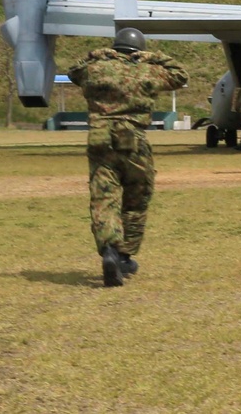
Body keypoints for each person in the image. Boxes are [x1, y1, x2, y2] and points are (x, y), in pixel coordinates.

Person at [68, 27, 188, 287]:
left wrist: (98, 53)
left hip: (100, 139)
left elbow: (74, 70)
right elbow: (180, 74)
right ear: (139, 49)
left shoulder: (94, 68)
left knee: (104, 197)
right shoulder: (147, 70)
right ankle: (124, 255)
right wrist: (149, 57)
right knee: (137, 195)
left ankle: (109, 250)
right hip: (132, 138)